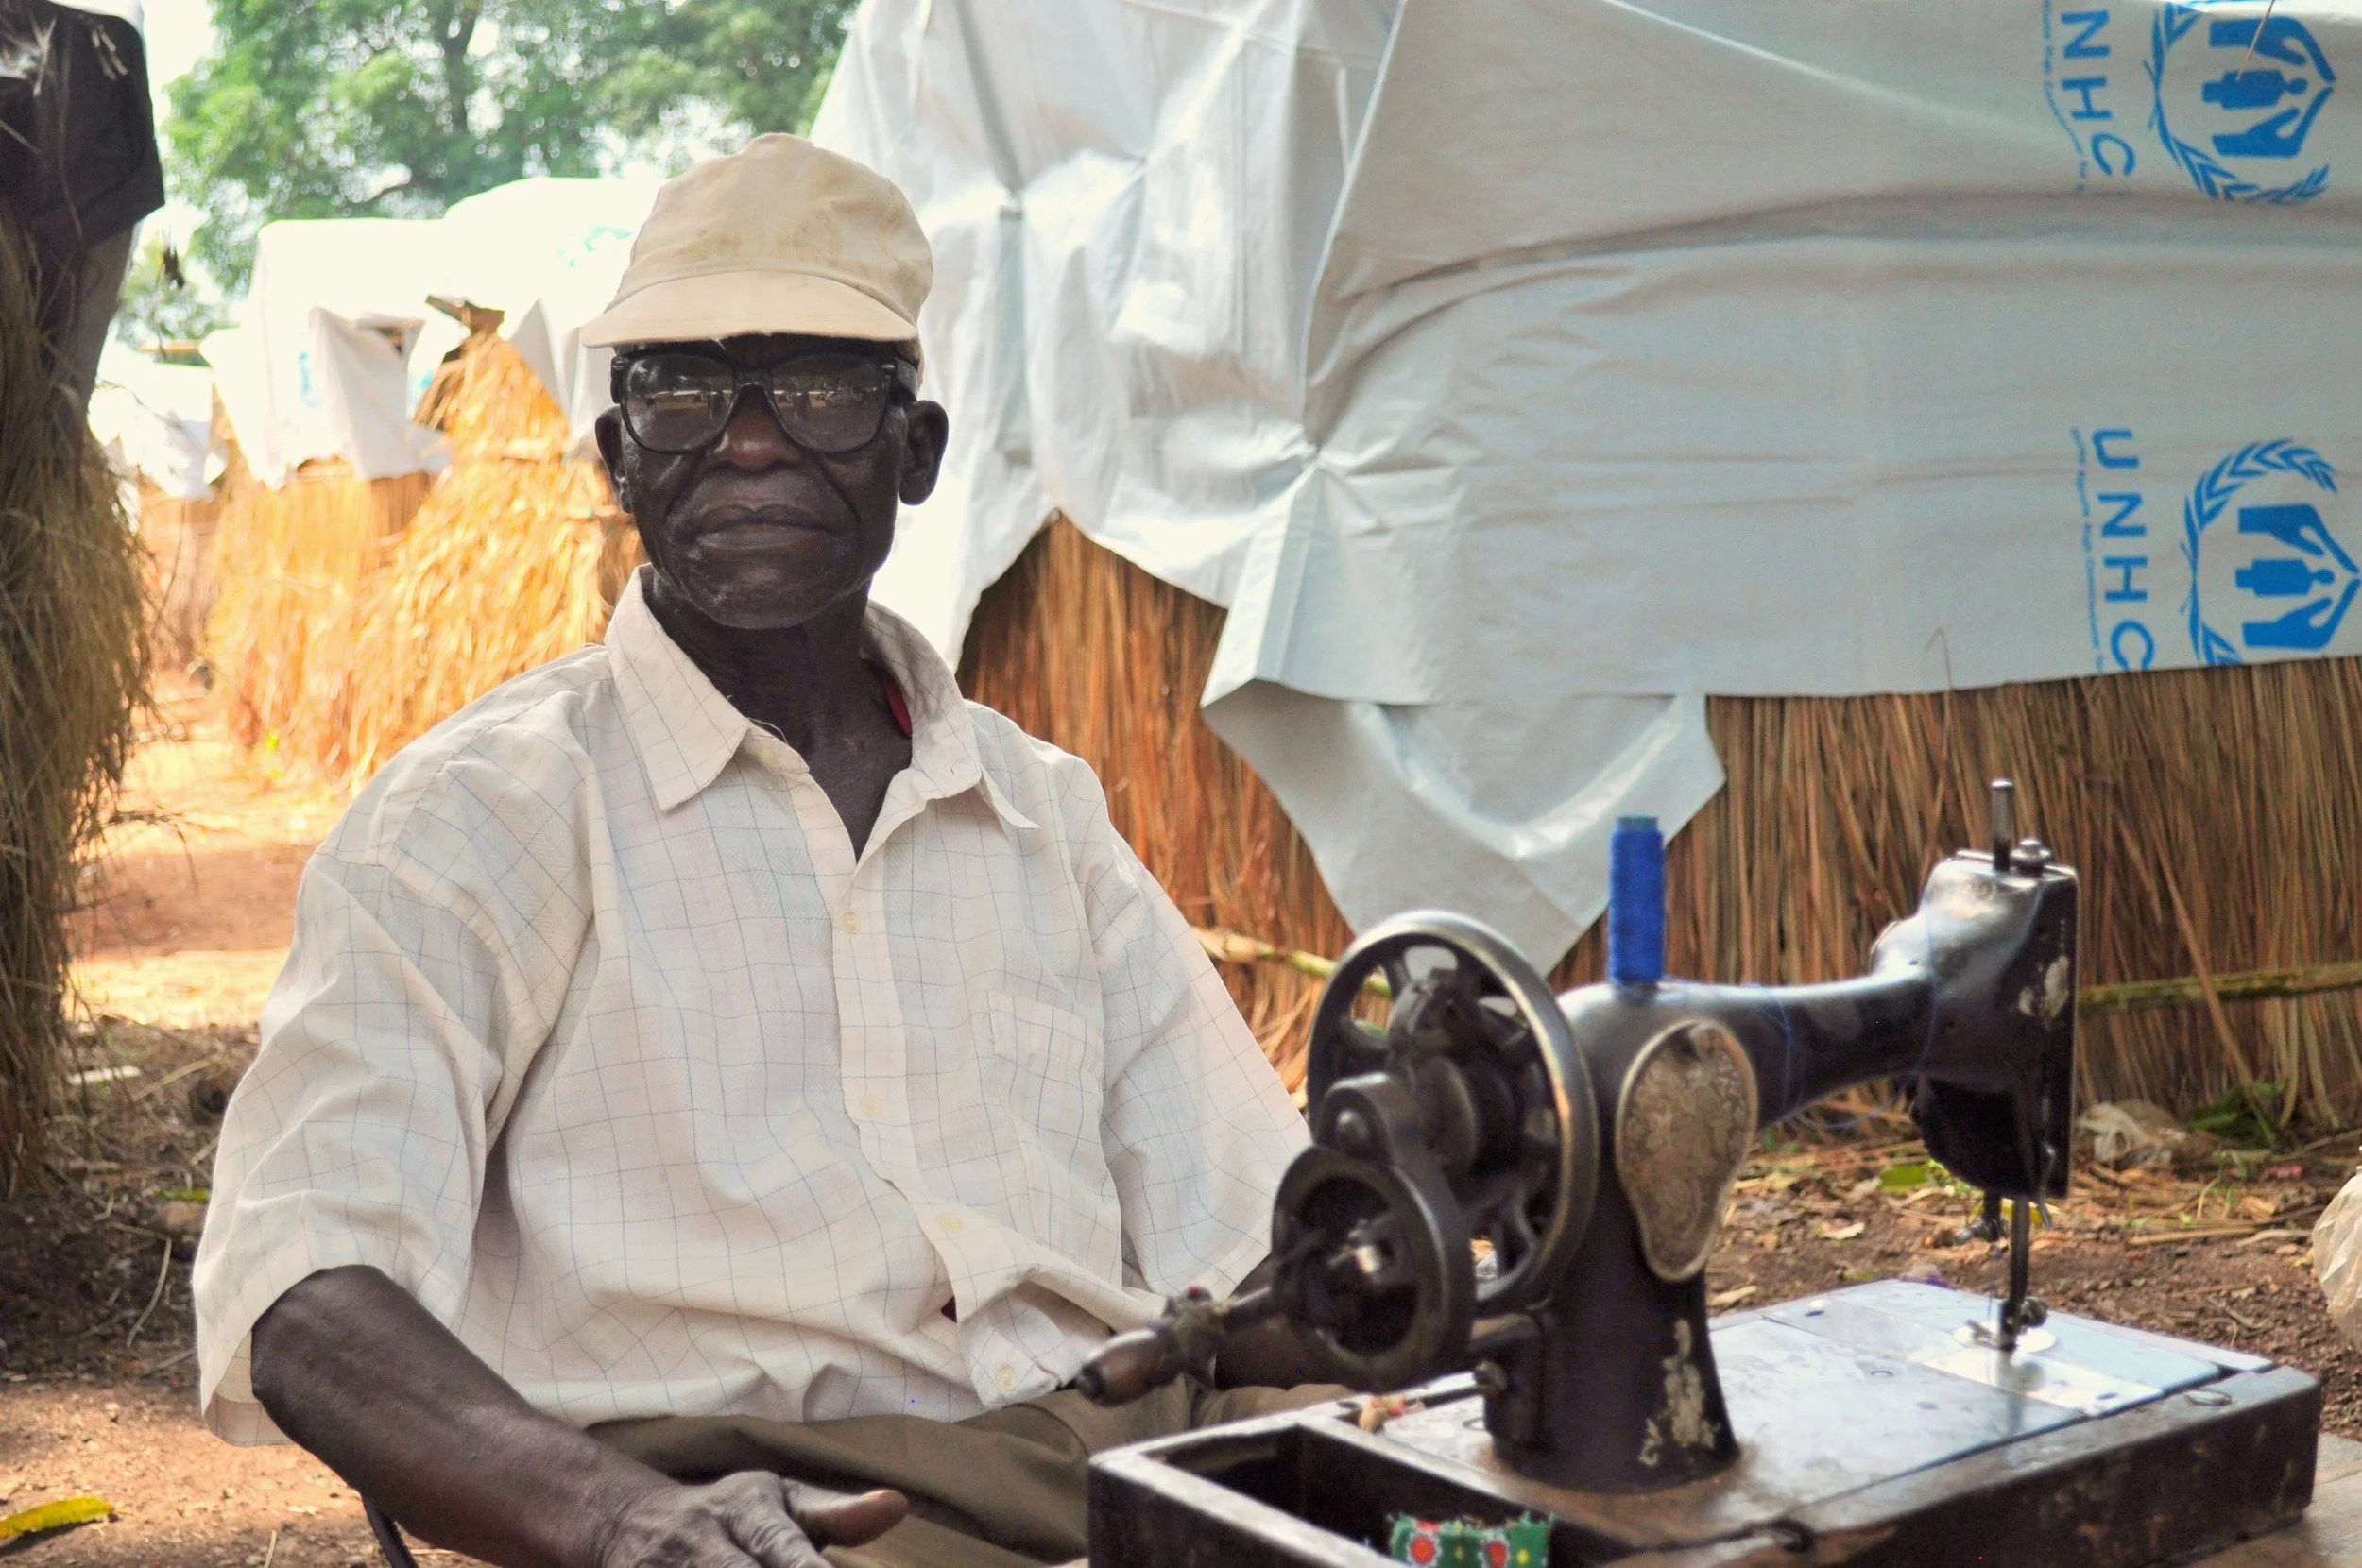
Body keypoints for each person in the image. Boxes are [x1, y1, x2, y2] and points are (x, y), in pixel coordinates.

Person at [192, 135, 1335, 1568]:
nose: (746, 442)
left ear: (916, 452)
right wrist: (619, 1519)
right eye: (679, 394)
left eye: (818, 391)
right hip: (764, 1507)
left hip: (1130, 1450)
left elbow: (1251, 1243)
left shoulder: (1042, 815)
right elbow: (302, 1281)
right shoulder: (478, 819)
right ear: (616, 458)